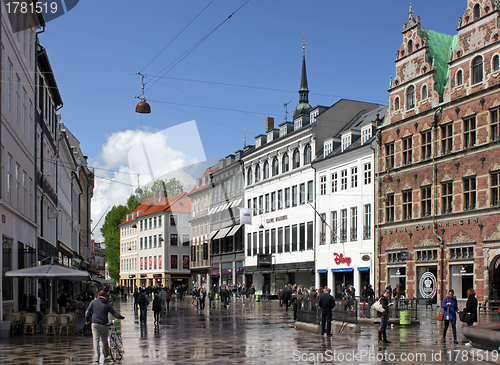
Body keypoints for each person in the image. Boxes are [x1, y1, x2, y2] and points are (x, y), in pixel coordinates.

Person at [85, 290, 125, 363]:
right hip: (104, 324)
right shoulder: (107, 304)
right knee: (104, 340)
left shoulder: (93, 302)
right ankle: (106, 355)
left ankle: (97, 357)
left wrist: (87, 320)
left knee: (95, 340)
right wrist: (121, 317)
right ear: (105, 296)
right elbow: (114, 313)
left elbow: (87, 312)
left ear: (98, 295)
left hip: (95, 323)